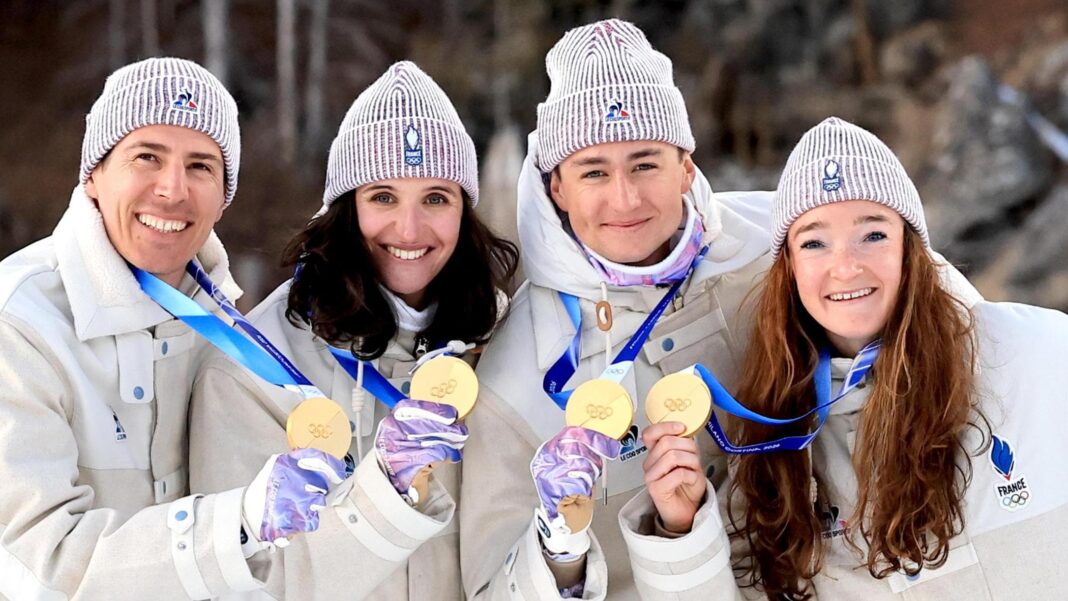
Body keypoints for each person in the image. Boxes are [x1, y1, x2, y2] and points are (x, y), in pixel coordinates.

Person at [0, 57, 347, 600]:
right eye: (147, 157)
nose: (172, 189)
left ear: (224, 197)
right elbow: (50, 549)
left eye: (201, 166)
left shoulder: (230, 331)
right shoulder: (18, 323)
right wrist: (240, 520)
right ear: (94, 174)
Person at [460, 19, 774, 599]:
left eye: (645, 163)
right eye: (594, 172)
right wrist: (557, 550)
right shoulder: (516, 370)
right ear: (557, 186)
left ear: (686, 164)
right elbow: (486, 587)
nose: (624, 198)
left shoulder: (787, 249)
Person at [189, 61, 518, 600]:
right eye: (383, 197)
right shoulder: (253, 369)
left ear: (465, 212)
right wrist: (382, 492)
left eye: (436, 197)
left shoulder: (502, 339)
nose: (409, 229)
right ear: (345, 208)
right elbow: (244, 581)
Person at [723, 116, 1068, 599]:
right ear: (790, 268)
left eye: (874, 235)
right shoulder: (771, 433)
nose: (845, 266)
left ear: (912, 249)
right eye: (815, 243)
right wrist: (678, 531)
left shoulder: (1035, 351)